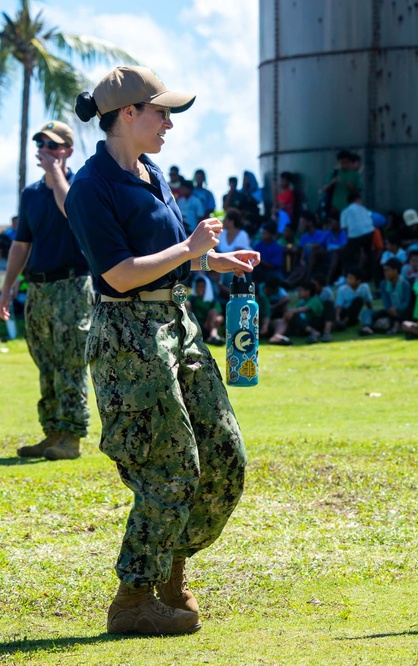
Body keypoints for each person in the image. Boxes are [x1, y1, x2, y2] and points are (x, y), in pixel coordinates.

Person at [68, 65, 259, 636]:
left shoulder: (152, 172)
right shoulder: (90, 186)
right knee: (169, 466)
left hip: (178, 321)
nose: (169, 124)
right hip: (129, 333)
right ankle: (133, 598)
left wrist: (211, 260)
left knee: (224, 455)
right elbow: (120, 274)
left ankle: (171, 570)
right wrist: (190, 247)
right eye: (161, 113)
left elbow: (169, 251)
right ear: (127, 114)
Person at [0, 120, 94, 461]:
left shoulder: (80, 185)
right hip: (38, 289)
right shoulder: (31, 194)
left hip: (72, 285)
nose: (45, 150)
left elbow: (71, 211)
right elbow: (21, 245)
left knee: (70, 362)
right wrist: (7, 288)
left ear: (67, 150)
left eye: (53, 145)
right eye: (41, 144)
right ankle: (52, 431)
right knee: (46, 362)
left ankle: (72, 436)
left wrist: (57, 176)